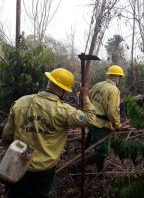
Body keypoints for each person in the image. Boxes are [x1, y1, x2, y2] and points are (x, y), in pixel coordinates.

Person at [1, 68, 96, 198]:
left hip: (17, 163)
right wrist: (85, 96)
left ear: (49, 82)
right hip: (44, 168)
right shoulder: (64, 111)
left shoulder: (21, 102)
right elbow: (89, 119)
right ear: (63, 90)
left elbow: (6, 135)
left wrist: (10, 153)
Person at [69, 65, 124, 175]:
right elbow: (112, 112)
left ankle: (100, 173)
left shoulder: (98, 85)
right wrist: (117, 125)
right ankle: (75, 167)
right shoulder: (114, 90)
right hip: (102, 125)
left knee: (98, 150)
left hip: (91, 121)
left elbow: (86, 97)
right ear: (119, 77)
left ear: (108, 75)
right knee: (103, 152)